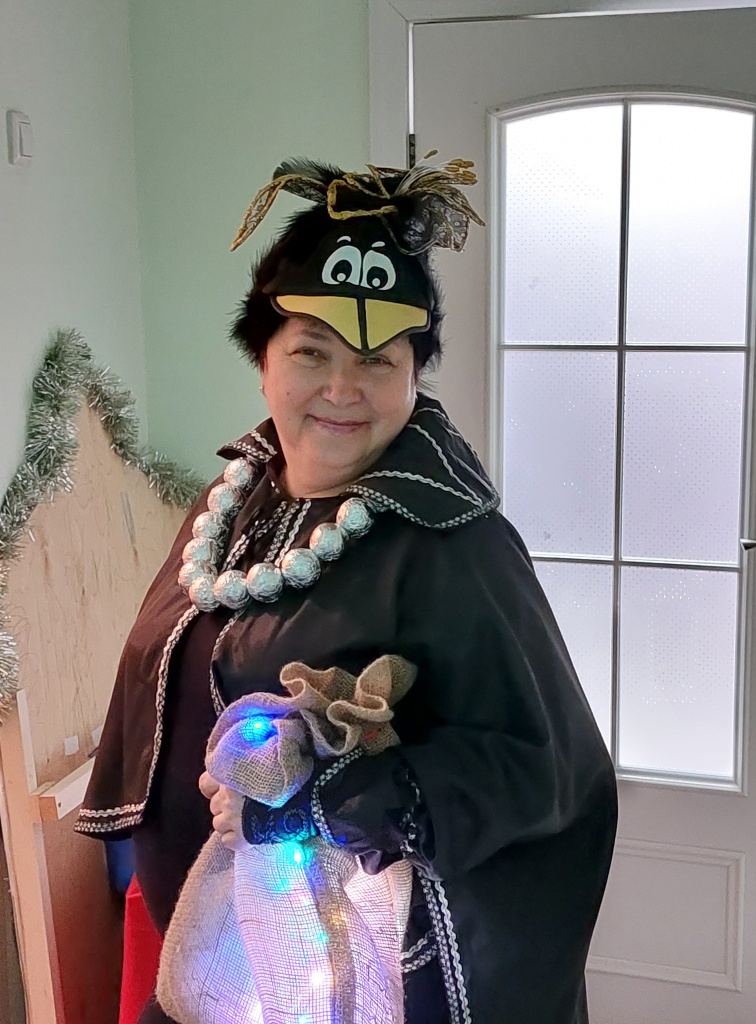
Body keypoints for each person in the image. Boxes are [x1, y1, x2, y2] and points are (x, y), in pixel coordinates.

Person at [76, 156, 618, 1024]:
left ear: (413, 373)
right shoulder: (235, 502)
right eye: (311, 352)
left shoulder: (455, 542)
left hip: (357, 978)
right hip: (221, 955)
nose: (341, 388)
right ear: (263, 360)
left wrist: (342, 800)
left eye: (375, 360)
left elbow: (544, 767)